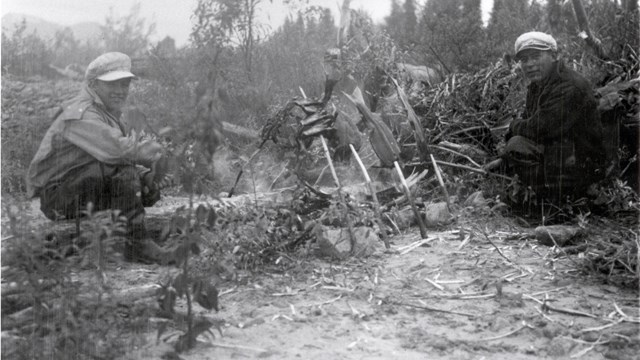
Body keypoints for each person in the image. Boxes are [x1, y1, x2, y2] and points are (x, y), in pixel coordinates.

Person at [27, 52, 172, 263]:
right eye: (112, 84)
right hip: (58, 197)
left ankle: (133, 240)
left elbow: (106, 159)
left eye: (125, 84)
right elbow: (117, 151)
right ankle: (138, 246)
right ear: (94, 85)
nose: (120, 91)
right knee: (125, 174)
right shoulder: (82, 113)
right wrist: (149, 154)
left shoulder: (105, 112)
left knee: (138, 181)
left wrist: (147, 178)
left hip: (77, 188)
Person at [502, 32, 607, 206]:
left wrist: (514, 126)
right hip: (562, 154)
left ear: (553, 56)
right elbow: (532, 125)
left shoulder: (569, 85)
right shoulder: (539, 85)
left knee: (516, 146)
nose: (529, 64)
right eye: (524, 60)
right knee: (514, 146)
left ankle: (555, 204)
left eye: (535, 57)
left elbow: (540, 129)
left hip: (583, 164)